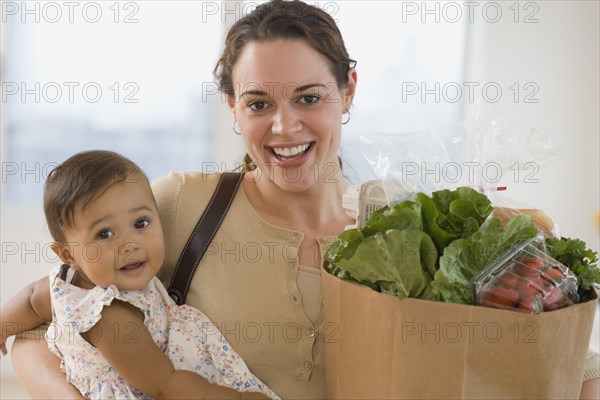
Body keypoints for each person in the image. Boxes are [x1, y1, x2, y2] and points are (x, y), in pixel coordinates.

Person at [9, 1, 600, 399]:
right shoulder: (176, 207)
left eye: (310, 97)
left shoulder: (406, 235)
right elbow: (43, 331)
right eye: (259, 102)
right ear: (232, 108)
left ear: (347, 92)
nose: (284, 127)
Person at [1, 150, 278, 400]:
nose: (130, 244)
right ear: (68, 255)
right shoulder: (111, 317)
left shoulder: (70, 284)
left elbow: (31, 300)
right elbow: (165, 383)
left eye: (140, 223)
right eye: (105, 234)